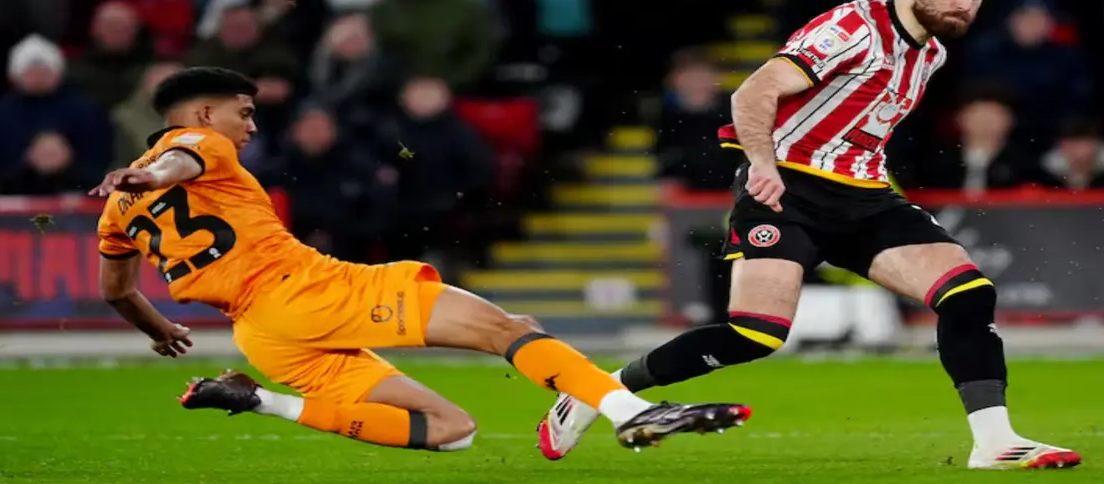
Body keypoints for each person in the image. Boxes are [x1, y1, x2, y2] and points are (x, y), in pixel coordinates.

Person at [535, 0, 1082, 470]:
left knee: (968, 294)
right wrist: (765, 166)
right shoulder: (854, 26)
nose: (967, 5)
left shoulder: (931, 53)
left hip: (865, 196)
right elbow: (753, 92)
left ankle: (994, 442)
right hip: (788, 189)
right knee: (755, 335)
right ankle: (595, 391)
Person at [89, 66, 750, 453]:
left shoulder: (115, 211)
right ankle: (633, 414)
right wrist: (153, 174)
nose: (252, 126)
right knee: (507, 328)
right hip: (308, 290)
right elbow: (181, 159)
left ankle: (256, 401)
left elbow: (116, 290)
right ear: (207, 111)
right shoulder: (198, 141)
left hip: (261, 336)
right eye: (246, 113)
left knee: (450, 431)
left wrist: (161, 332)